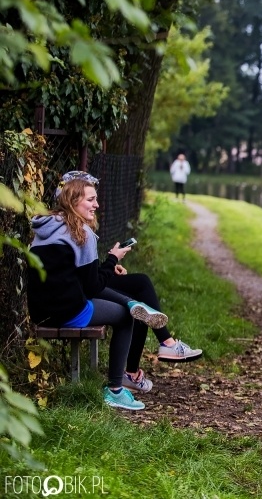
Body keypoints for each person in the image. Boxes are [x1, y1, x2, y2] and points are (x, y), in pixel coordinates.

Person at [27, 171, 202, 410]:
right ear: (72, 199)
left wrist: (107, 267)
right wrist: (111, 259)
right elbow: (91, 287)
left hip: (40, 311)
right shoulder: (82, 232)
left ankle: (134, 307)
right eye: (90, 199)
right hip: (68, 310)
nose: (96, 205)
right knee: (124, 317)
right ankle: (115, 389)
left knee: (129, 299)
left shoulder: (45, 227)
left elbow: (69, 274)